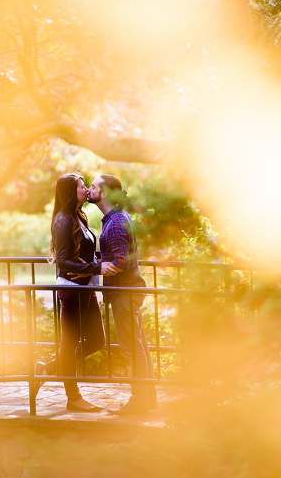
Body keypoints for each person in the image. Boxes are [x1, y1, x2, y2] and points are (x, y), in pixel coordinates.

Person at [35, 173, 118, 412]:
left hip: (86, 288)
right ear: (72, 192)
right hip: (71, 290)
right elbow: (63, 262)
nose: (86, 189)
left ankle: (47, 368)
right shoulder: (62, 220)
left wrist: (98, 263)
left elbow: (85, 255)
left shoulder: (78, 216)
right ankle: (73, 398)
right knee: (68, 345)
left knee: (97, 341)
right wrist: (96, 267)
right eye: (83, 186)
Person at [86, 174, 157, 415]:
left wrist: (95, 269)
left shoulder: (115, 222)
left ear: (104, 193)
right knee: (139, 346)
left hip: (123, 292)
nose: (89, 189)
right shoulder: (115, 219)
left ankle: (139, 402)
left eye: (93, 186)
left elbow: (119, 261)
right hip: (128, 290)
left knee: (131, 348)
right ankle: (148, 399)